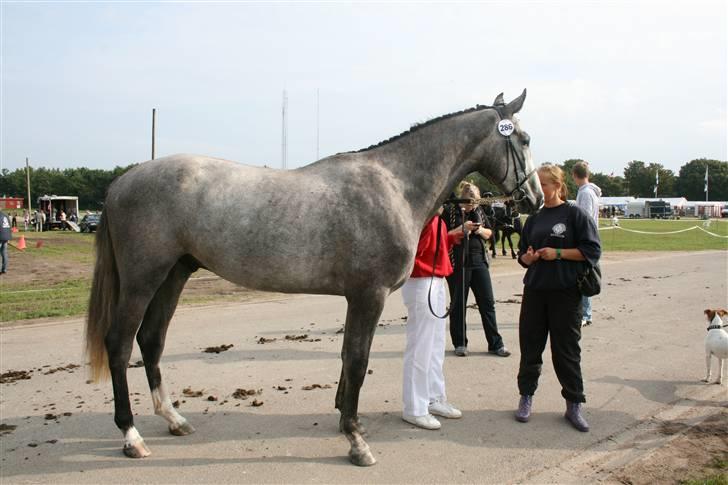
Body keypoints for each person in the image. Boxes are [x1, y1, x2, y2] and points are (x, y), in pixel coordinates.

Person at [514, 164, 601, 432]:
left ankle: (574, 404)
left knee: (566, 352)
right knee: (530, 348)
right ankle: (526, 397)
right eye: (537, 184)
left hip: (566, 293)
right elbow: (522, 255)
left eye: (545, 184)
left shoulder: (575, 214)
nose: (541, 189)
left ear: (558, 186)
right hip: (536, 291)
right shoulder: (534, 218)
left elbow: (592, 250)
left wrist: (559, 253)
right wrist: (527, 258)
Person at [402, 206, 467, 430]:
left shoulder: (436, 219)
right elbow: (413, 249)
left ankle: (434, 397)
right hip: (421, 280)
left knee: (436, 345)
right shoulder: (423, 217)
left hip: (436, 279)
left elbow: (435, 248)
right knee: (421, 346)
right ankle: (414, 407)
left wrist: (449, 237)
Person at [444, 182, 510, 357]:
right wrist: (462, 228)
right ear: (463, 198)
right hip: (458, 264)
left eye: (475, 202)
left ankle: (496, 343)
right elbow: (444, 236)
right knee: (458, 305)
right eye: (470, 202)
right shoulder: (450, 211)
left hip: (479, 262)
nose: (472, 205)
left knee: (487, 303)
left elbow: (491, 235)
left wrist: (479, 230)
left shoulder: (479, 211)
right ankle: (460, 343)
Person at [571, 161, 601, 327]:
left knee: (584, 276)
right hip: (590, 237)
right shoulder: (590, 192)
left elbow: (585, 217)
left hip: (586, 239)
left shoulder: (585, 193)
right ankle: (585, 312)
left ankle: (585, 313)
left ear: (575, 176)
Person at [0, 210, 12, 275]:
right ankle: (4, 269)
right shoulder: (6, 215)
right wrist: (8, 237)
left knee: (3, 252)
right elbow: (10, 226)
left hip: (1, 235)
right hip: (6, 235)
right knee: (4, 253)